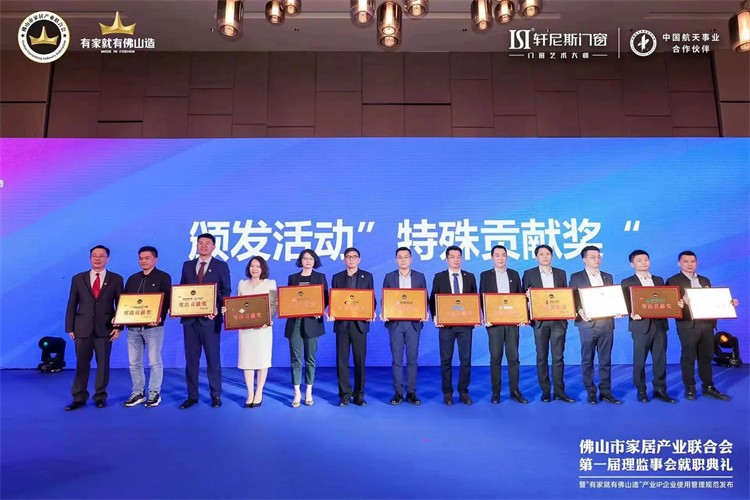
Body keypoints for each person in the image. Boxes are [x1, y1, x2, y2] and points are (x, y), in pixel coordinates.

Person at [666, 251, 739, 401]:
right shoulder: (673, 281)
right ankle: (690, 387)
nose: (690, 264)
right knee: (689, 357)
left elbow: (711, 301)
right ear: (679, 263)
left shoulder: (705, 280)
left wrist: (728, 304)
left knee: (706, 356)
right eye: (686, 261)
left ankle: (708, 387)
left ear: (697, 263)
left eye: (692, 261)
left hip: (707, 324)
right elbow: (669, 305)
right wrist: (681, 303)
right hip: (687, 324)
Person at [64, 245, 124, 411]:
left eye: (101, 256)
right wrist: (70, 327)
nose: (97, 258)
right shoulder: (78, 278)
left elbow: (121, 304)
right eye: (94, 255)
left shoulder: (116, 279)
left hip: (105, 329)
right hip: (81, 329)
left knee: (103, 365)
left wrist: (119, 326)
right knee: (81, 364)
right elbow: (72, 303)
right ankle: (78, 398)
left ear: (107, 259)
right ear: (90, 258)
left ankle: (100, 397)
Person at [178, 233, 231, 409]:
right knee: (191, 360)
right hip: (190, 321)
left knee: (212, 359)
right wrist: (177, 306)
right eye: (200, 243)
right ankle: (192, 396)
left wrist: (216, 307)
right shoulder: (187, 265)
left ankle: (216, 395)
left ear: (213, 247)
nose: (203, 246)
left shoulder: (221, 266)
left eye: (207, 243)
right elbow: (182, 291)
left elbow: (226, 291)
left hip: (210, 321)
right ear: (196, 245)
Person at [569, 246, 621, 405]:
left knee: (605, 359)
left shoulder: (607, 276)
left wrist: (617, 309)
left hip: (606, 323)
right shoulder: (576, 277)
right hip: (587, 324)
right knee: (587, 359)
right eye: (593, 257)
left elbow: (612, 298)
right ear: (584, 260)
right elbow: (572, 298)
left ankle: (606, 391)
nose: (597, 259)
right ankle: (590, 391)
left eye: (598, 256)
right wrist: (579, 311)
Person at [121, 246, 172, 409]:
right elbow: (125, 302)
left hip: (153, 327)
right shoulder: (132, 279)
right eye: (141, 258)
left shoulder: (163, 277)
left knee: (154, 361)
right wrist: (121, 319)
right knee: (134, 362)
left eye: (147, 258)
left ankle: (154, 393)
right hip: (133, 328)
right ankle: (138, 392)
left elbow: (167, 301)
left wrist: (159, 318)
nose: (143, 261)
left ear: (155, 260)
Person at [521, 244, 573, 403]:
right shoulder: (529, 273)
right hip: (540, 322)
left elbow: (565, 295)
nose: (545, 257)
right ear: (536, 257)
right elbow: (523, 298)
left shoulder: (560, 273)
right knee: (541, 357)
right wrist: (528, 298)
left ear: (552, 256)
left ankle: (559, 391)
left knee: (558, 357)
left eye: (548, 254)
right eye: (541, 254)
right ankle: (545, 391)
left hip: (558, 321)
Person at [429, 245, 478, 405]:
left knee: (466, 359)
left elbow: (474, 300)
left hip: (465, 326)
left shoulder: (470, 277)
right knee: (446, 359)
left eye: (458, 257)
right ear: (447, 259)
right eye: (452, 257)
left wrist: (475, 317)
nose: (456, 260)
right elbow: (433, 300)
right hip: (446, 326)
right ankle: (448, 392)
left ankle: (463, 391)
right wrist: (435, 316)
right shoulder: (439, 277)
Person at [479, 245, 528, 404]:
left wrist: (522, 316)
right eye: (497, 255)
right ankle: (496, 392)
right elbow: (482, 298)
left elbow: (520, 297)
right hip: (494, 323)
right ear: (492, 258)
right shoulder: (485, 275)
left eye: (503, 255)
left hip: (512, 323)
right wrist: (486, 316)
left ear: (507, 257)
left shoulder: (514, 274)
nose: (500, 258)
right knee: (496, 357)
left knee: (513, 357)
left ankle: (515, 391)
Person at [382, 247, 428, 405]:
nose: (403, 260)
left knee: (412, 359)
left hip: (413, 324)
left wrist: (424, 311)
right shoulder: (389, 277)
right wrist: (385, 311)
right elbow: (385, 298)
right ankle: (398, 393)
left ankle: (411, 393)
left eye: (406, 257)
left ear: (411, 259)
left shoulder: (419, 277)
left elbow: (424, 297)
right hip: (395, 323)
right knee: (396, 360)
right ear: (396, 260)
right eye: (400, 257)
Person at [331, 247, 375, 407]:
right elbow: (334, 300)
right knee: (342, 361)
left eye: (354, 256)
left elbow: (371, 298)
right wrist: (332, 311)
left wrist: (371, 310)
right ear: (344, 259)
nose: (351, 259)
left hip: (360, 324)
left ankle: (359, 395)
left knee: (359, 361)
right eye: (348, 257)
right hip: (342, 324)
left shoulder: (367, 276)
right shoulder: (337, 277)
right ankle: (344, 395)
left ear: (359, 259)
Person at [285, 249, 329, 408]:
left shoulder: (320, 277)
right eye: (305, 258)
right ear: (300, 261)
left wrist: (320, 309)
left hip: (312, 322)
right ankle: (297, 392)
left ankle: (309, 390)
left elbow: (325, 298)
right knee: (295, 358)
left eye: (311, 258)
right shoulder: (293, 278)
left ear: (315, 261)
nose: (308, 261)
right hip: (295, 322)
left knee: (310, 358)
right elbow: (288, 298)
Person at [236, 256, 276, 408]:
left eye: (258, 266)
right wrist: (229, 310)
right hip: (246, 329)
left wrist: (267, 319)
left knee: (262, 359)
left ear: (263, 269)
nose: (255, 269)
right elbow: (238, 305)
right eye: (252, 266)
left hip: (263, 329)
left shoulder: (270, 283)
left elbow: (273, 305)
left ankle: (259, 391)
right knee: (247, 360)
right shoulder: (242, 284)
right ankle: (249, 393)